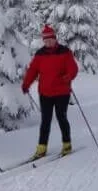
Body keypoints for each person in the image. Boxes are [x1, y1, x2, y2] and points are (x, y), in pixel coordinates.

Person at [22, 25, 79, 159]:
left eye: (50, 39)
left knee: (61, 118)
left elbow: (73, 69)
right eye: (45, 40)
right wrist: (26, 84)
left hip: (62, 92)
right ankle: (41, 148)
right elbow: (32, 71)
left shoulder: (65, 52)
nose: (48, 42)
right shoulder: (40, 54)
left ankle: (67, 144)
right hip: (45, 93)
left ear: (54, 39)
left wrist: (68, 77)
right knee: (45, 121)